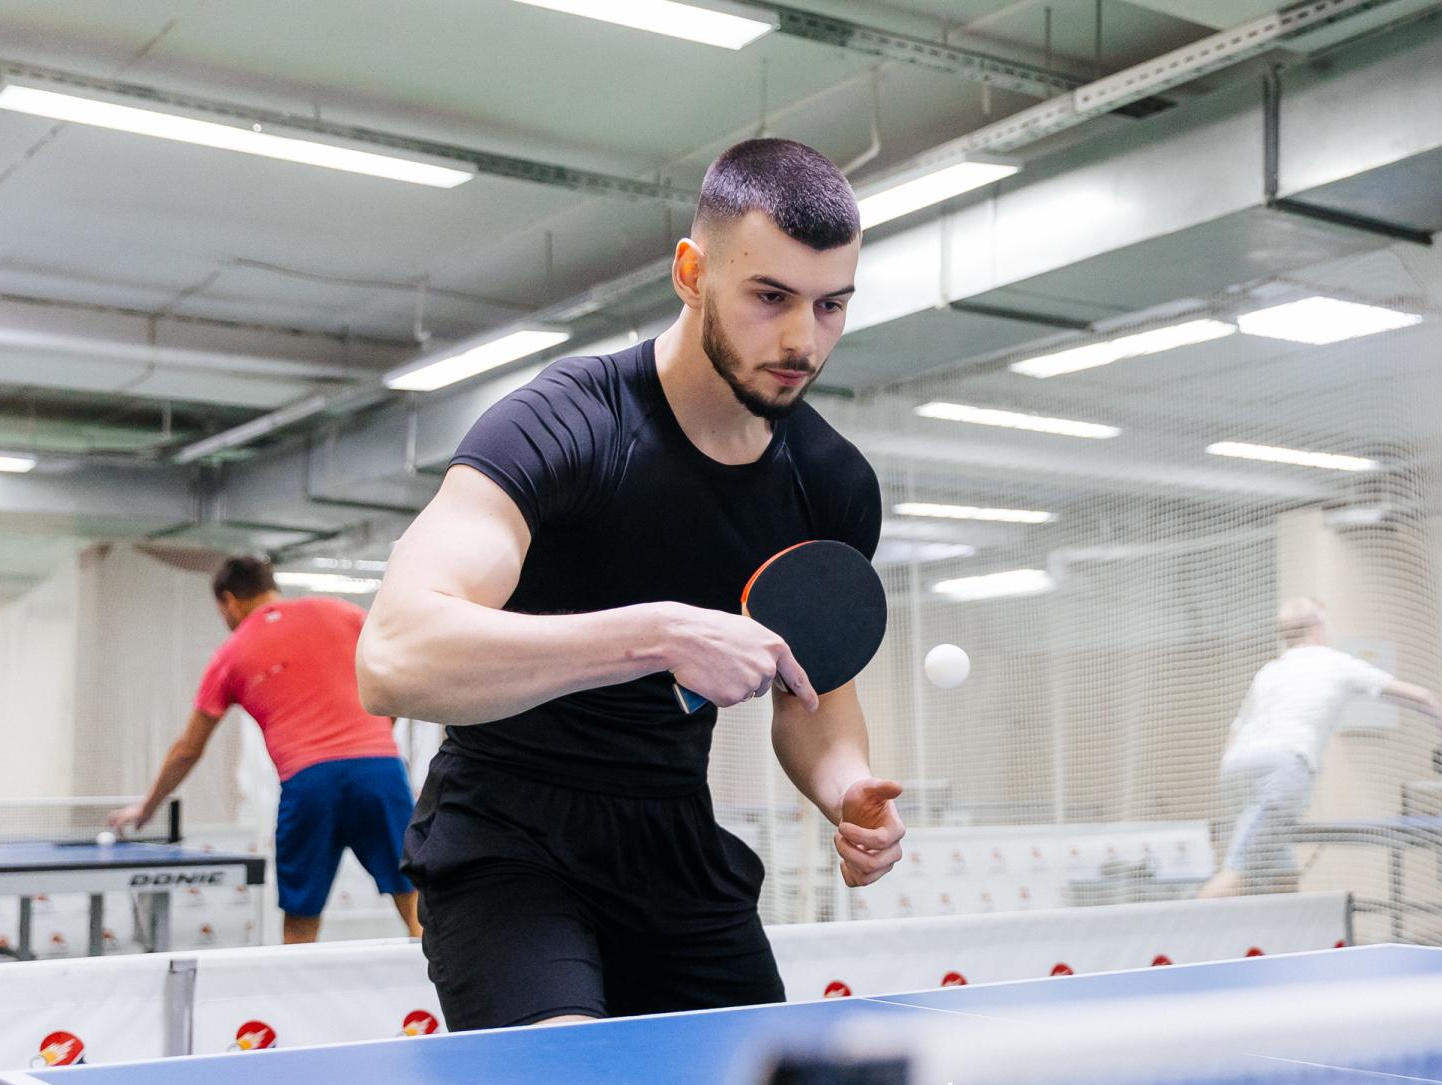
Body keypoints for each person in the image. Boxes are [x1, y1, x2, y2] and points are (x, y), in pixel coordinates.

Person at [357, 138, 904, 1031]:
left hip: (674, 842)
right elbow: (391, 657)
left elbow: (815, 694)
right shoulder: (562, 426)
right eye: (770, 297)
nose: (803, 340)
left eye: (831, 305)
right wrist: (655, 635)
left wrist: (847, 789)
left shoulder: (831, 485)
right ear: (691, 273)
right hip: (508, 836)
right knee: (570, 1082)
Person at [108, 556, 419, 943]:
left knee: (301, 918)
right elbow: (399, 674)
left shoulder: (230, 653)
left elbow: (187, 749)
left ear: (229, 601)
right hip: (380, 771)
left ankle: (298, 984)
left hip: (309, 783)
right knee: (414, 900)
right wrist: (375, 735)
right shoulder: (344, 613)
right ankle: (436, 983)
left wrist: (147, 808)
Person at [1199, 597, 1442, 897]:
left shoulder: (1269, 671)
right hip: (1282, 768)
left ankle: (1288, 927)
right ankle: (1180, 924)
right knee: (1239, 871)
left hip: (1236, 769)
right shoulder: (1334, 662)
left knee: (1282, 873)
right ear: (1317, 627)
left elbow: (1235, 731)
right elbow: (1420, 696)